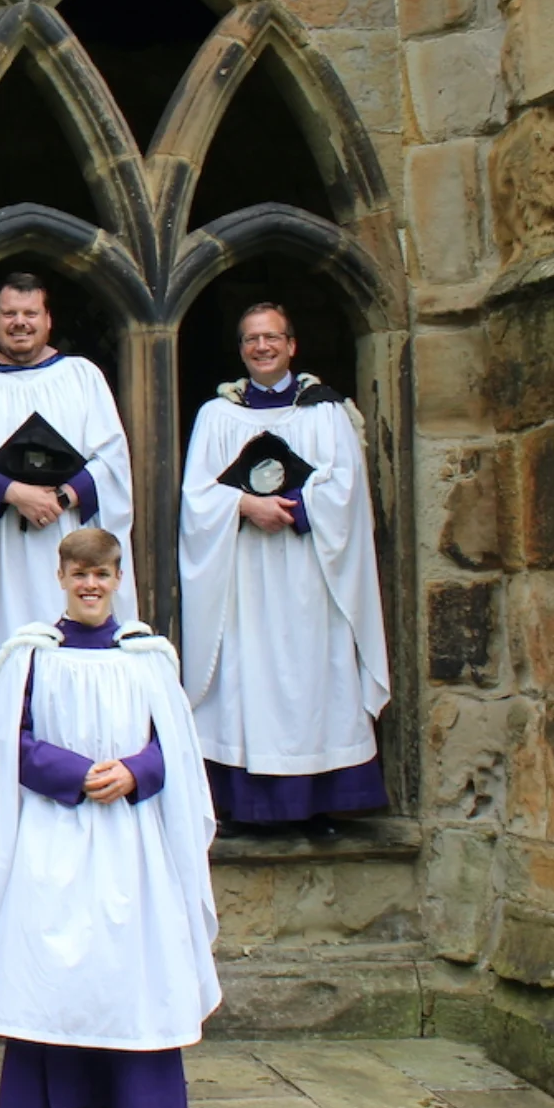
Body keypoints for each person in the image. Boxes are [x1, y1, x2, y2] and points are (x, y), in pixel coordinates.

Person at [0, 528, 220, 1108]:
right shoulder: (30, 655)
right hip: (57, 829)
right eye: (79, 575)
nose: (91, 586)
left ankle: (143, 1104)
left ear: (118, 578)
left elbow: (174, 745)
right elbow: (7, 744)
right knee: (55, 958)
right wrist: (75, 773)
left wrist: (134, 771)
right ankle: (49, 1103)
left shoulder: (147, 656)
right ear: (62, 578)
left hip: (132, 834)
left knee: (134, 959)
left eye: (101, 575)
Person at [0, 271, 133, 829]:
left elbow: (112, 458)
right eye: (9, 315)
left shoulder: (82, 377)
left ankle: (77, 781)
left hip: (66, 550)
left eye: (30, 315)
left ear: (48, 320)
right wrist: (14, 493)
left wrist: (64, 496)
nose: (20, 324)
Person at [178, 303, 389, 831]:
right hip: (244, 573)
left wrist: (293, 505)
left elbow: (346, 488)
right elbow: (195, 496)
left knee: (313, 674)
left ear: (292, 345)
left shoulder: (324, 411)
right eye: (251, 340)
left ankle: (320, 803)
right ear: (241, 349)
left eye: (272, 337)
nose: (262, 347)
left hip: (309, 575)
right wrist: (246, 506)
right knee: (247, 674)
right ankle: (247, 804)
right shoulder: (217, 415)